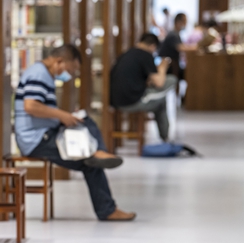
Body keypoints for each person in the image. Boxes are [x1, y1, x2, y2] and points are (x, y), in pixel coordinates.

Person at [14, 45, 136, 221]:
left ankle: (98, 155)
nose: (69, 75)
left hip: (46, 133)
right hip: (37, 139)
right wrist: (62, 115)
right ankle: (106, 206)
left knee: (85, 122)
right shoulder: (38, 74)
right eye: (70, 70)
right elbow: (31, 106)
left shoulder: (43, 74)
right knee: (90, 161)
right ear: (60, 62)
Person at [110, 33, 177, 142]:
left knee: (160, 99)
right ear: (152, 46)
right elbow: (159, 83)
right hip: (132, 101)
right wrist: (163, 67)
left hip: (115, 100)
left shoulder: (127, 53)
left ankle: (165, 137)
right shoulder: (145, 55)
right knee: (170, 82)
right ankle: (165, 139)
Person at [158, 13, 198, 80]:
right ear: (179, 22)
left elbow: (183, 46)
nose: (186, 24)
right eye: (185, 22)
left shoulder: (176, 34)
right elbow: (181, 48)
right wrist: (196, 47)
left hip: (174, 64)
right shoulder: (173, 34)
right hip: (169, 66)